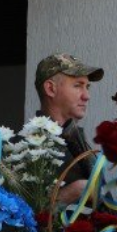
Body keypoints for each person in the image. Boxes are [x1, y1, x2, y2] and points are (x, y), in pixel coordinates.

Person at [34, 52, 104, 204]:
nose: (87, 96)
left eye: (87, 87)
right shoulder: (26, 148)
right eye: (78, 86)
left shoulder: (76, 140)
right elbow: (18, 218)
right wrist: (66, 195)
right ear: (50, 89)